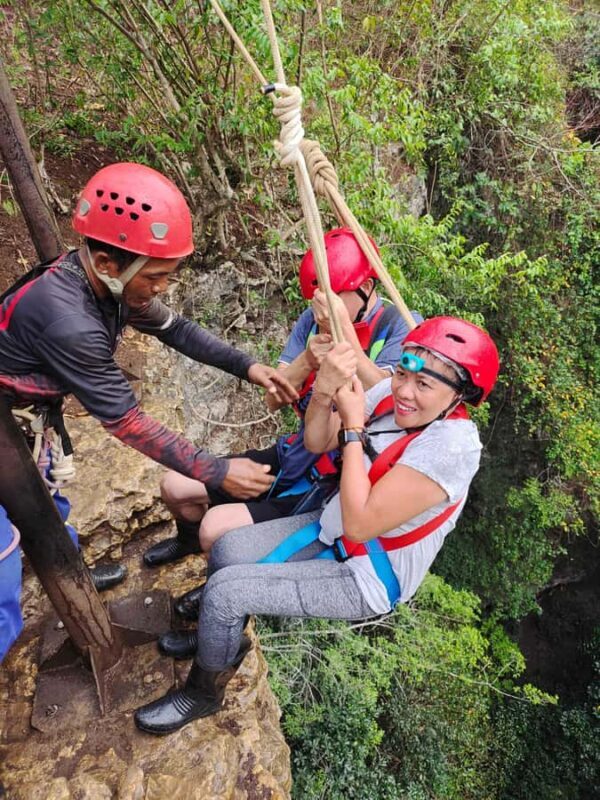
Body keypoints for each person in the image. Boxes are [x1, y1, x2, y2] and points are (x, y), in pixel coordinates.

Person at [133, 315, 500, 735]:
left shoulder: (450, 449)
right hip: (331, 524)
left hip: (367, 573)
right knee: (227, 550)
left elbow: (362, 524)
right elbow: (315, 442)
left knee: (226, 591)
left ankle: (203, 695)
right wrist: (325, 392)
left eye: (423, 385)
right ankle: (223, 641)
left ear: (459, 396)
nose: (403, 391)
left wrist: (355, 427)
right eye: (401, 374)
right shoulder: (389, 397)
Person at [0, 161, 297, 663]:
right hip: (11, 421)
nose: (161, 287)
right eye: (157, 277)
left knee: (51, 501)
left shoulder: (105, 285)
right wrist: (218, 470)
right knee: (4, 555)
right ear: (108, 262)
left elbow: (177, 330)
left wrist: (250, 367)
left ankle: (69, 567)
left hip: (26, 416)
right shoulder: (69, 320)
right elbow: (128, 422)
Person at [144, 227, 421, 580]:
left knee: (215, 528)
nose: (319, 307)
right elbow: (273, 399)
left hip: (332, 478)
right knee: (175, 486)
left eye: (331, 298)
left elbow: (390, 403)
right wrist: (307, 359)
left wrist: (346, 339)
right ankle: (187, 545)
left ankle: (222, 591)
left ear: (365, 289)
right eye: (316, 298)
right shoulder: (310, 322)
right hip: (295, 453)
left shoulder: (399, 329)